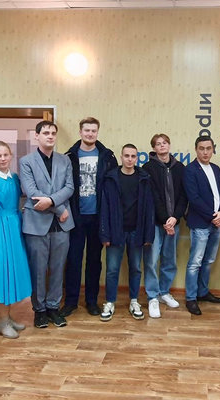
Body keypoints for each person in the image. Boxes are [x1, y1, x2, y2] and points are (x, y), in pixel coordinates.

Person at [20, 121, 75, 329]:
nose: (50, 136)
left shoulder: (65, 160)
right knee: (38, 269)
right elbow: (31, 191)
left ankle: (53, 307)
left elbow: (69, 187)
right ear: (37, 136)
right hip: (37, 223)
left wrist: (51, 202)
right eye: (45, 133)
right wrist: (59, 208)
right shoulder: (26, 161)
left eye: (53, 133)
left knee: (58, 268)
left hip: (62, 226)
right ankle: (39, 310)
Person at [62, 117, 118, 317]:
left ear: (97, 132)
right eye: (87, 130)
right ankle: (70, 302)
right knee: (73, 260)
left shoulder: (107, 156)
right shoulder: (69, 156)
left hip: (98, 218)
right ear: (80, 132)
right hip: (75, 217)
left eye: (93, 131)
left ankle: (92, 301)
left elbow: (113, 190)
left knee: (94, 261)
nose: (90, 134)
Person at [0, 141, 32, 339]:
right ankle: (2, 321)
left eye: (5, 155)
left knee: (12, 274)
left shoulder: (14, 178)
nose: (2, 159)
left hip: (14, 228)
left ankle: (8, 318)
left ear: (11, 156)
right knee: (3, 275)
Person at [99, 144, 155, 321]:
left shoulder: (144, 178)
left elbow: (149, 209)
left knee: (136, 268)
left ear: (137, 158)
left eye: (133, 156)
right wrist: (105, 234)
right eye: (127, 156)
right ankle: (110, 302)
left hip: (137, 232)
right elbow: (104, 208)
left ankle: (134, 301)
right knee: (112, 269)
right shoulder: (111, 178)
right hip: (116, 232)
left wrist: (148, 234)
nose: (130, 159)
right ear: (121, 157)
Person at [142, 133, 187, 318]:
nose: (162, 146)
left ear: (169, 145)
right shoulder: (147, 168)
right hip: (155, 223)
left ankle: (164, 292)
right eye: (158, 144)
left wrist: (175, 218)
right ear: (154, 148)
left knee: (169, 260)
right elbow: (152, 197)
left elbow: (184, 196)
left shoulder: (180, 168)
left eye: (165, 143)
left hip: (173, 223)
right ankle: (152, 296)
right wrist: (164, 220)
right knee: (152, 260)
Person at [183, 136, 220, 315]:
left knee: (208, 261)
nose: (205, 152)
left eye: (208, 148)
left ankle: (202, 292)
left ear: (213, 149)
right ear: (196, 149)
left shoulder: (215, 168)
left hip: (216, 223)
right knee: (195, 263)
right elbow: (194, 199)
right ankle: (191, 298)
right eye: (201, 148)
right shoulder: (190, 170)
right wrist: (213, 217)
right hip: (201, 223)